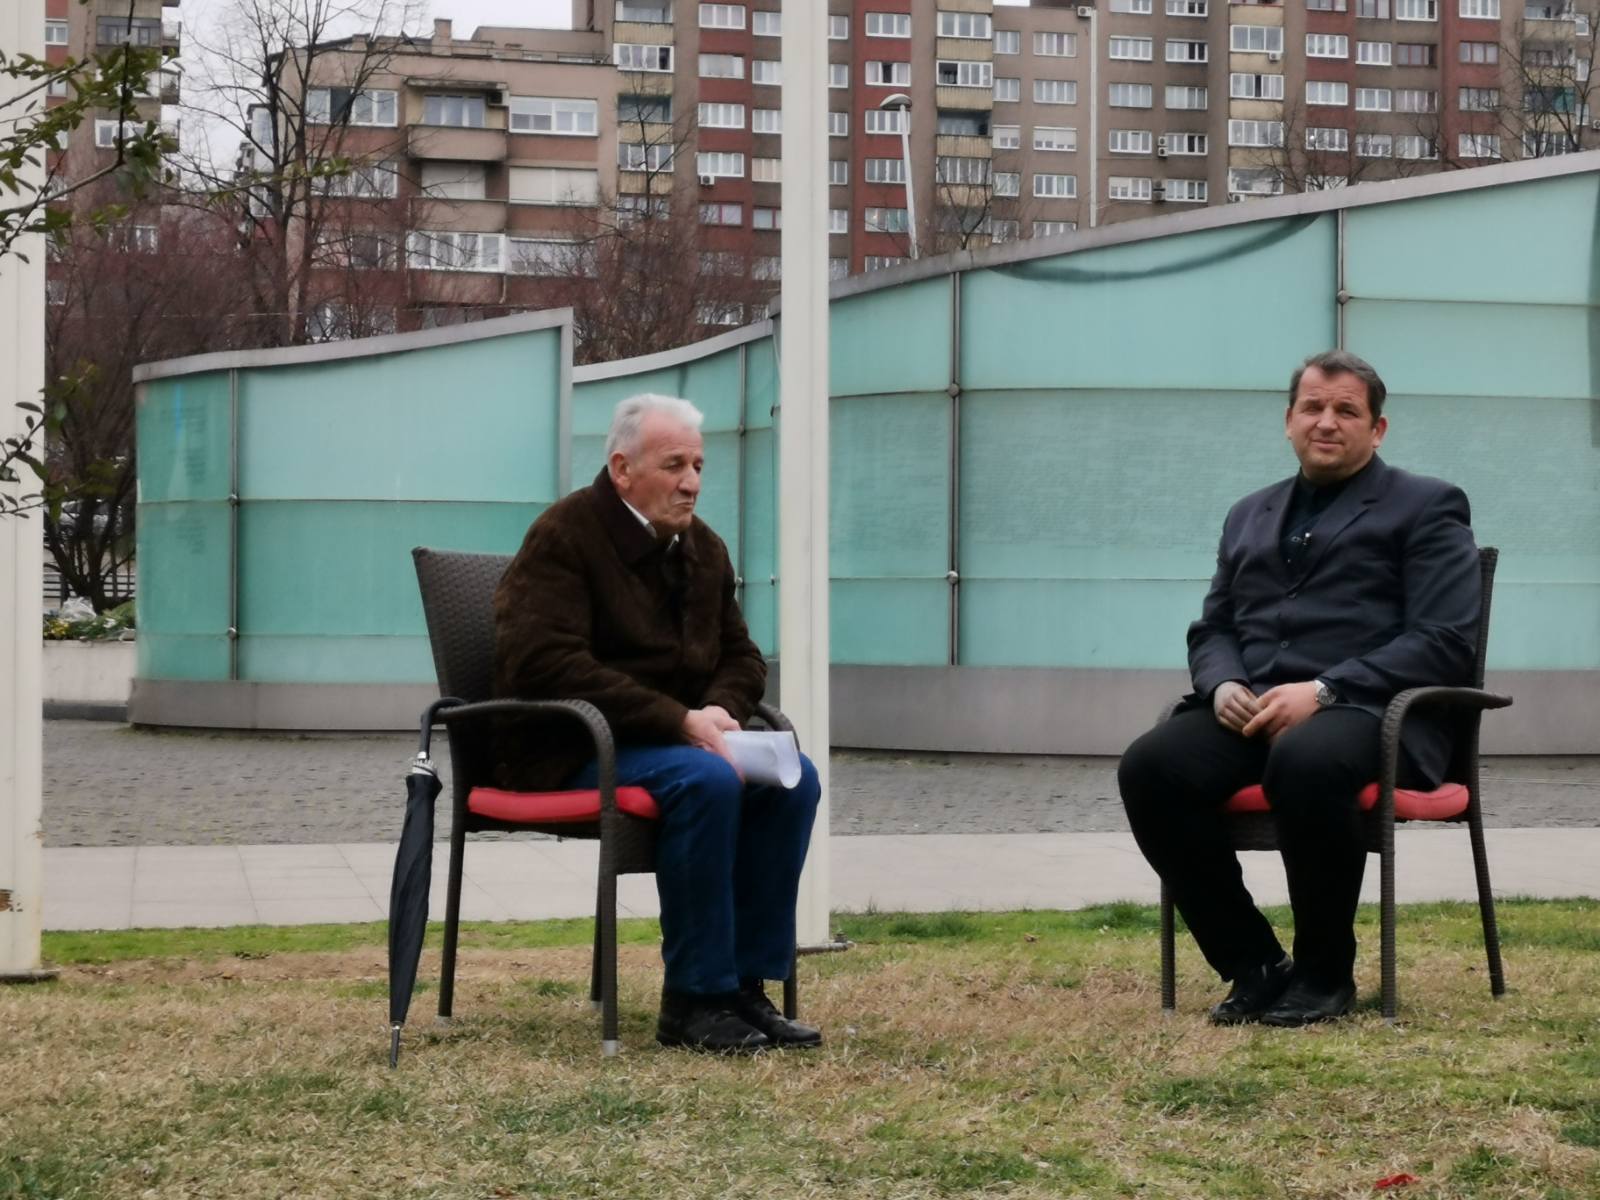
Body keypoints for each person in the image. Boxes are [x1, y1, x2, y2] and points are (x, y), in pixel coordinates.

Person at [1118, 350, 1480, 1027]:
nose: (1326, 422)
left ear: (1377, 429)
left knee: (1306, 758)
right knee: (1152, 766)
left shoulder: (1428, 505)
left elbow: (1444, 639)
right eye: (1312, 407)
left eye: (1347, 410)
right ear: (1289, 420)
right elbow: (1214, 626)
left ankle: (1324, 975)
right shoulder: (1248, 513)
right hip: (1255, 710)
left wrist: (1325, 689)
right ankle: (1254, 963)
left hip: (1374, 710)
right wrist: (1221, 682)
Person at [492, 393, 823, 1053]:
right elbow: (544, 663)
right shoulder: (564, 535)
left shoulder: (704, 548)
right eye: (675, 465)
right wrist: (679, 721)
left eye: (698, 466)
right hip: (567, 746)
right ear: (622, 469)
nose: (692, 482)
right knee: (707, 780)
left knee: (793, 777)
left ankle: (745, 988)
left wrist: (721, 711)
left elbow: (742, 655)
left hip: (673, 743)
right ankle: (694, 1002)